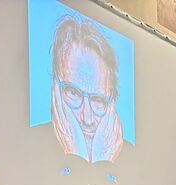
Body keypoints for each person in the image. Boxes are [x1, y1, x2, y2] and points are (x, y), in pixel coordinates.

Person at [51, 15, 123, 163]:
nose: (87, 119)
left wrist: (104, 161)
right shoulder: (28, 145)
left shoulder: (133, 158)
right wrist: (75, 157)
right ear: (55, 88)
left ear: (111, 104)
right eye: (73, 93)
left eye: (98, 100)